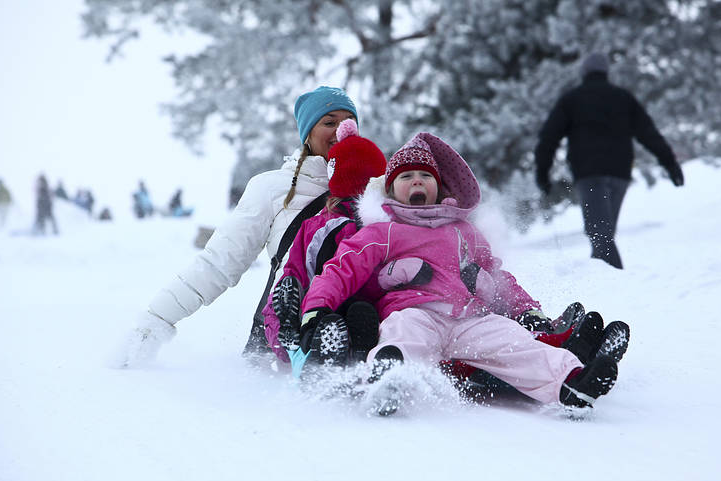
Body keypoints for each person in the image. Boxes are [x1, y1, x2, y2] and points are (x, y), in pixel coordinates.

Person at [299, 132, 620, 410]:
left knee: (514, 342)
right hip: (415, 312)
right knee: (403, 336)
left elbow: (497, 276)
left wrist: (526, 309)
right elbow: (342, 268)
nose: (417, 182)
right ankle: (388, 379)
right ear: (392, 190)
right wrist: (316, 309)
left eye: (425, 177)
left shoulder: (464, 231)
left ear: (439, 188)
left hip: (471, 319)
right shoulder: (383, 231)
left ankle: (571, 381)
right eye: (406, 178)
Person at [117, 86, 358, 368]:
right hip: (287, 333)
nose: (341, 131)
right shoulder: (271, 189)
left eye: (348, 122)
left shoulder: (377, 189)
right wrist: (156, 321)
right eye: (329, 122)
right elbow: (219, 263)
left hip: (360, 331)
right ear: (307, 133)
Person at [534, 52, 685, 269]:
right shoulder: (623, 98)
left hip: (589, 174)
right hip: (619, 175)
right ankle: (603, 286)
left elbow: (548, 138)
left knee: (600, 235)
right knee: (603, 235)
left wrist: (542, 173)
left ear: (584, 72)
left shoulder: (572, 99)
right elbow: (649, 133)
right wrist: (670, 163)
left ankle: (618, 284)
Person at [262, 118, 386, 372]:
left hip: (319, 310)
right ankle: (353, 363)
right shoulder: (388, 228)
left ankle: (302, 351)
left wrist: (278, 330)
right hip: (366, 315)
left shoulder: (317, 226)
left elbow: (293, 274)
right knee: (362, 314)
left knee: (303, 304)